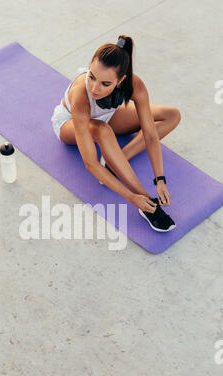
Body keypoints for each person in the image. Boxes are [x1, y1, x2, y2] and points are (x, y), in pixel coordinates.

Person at [51, 35, 181, 232]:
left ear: (121, 80)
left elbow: (150, 134)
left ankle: (116, 161)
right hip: (69, 123)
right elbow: (91, 163)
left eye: (105, 84)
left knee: (171, 115)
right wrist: (131, 197)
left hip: (107, 116)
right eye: (92, 76)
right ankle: (147, 204)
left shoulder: (135, 85)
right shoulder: (81, 95)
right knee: (102, 130)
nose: (94, 88)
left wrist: (160, 179)